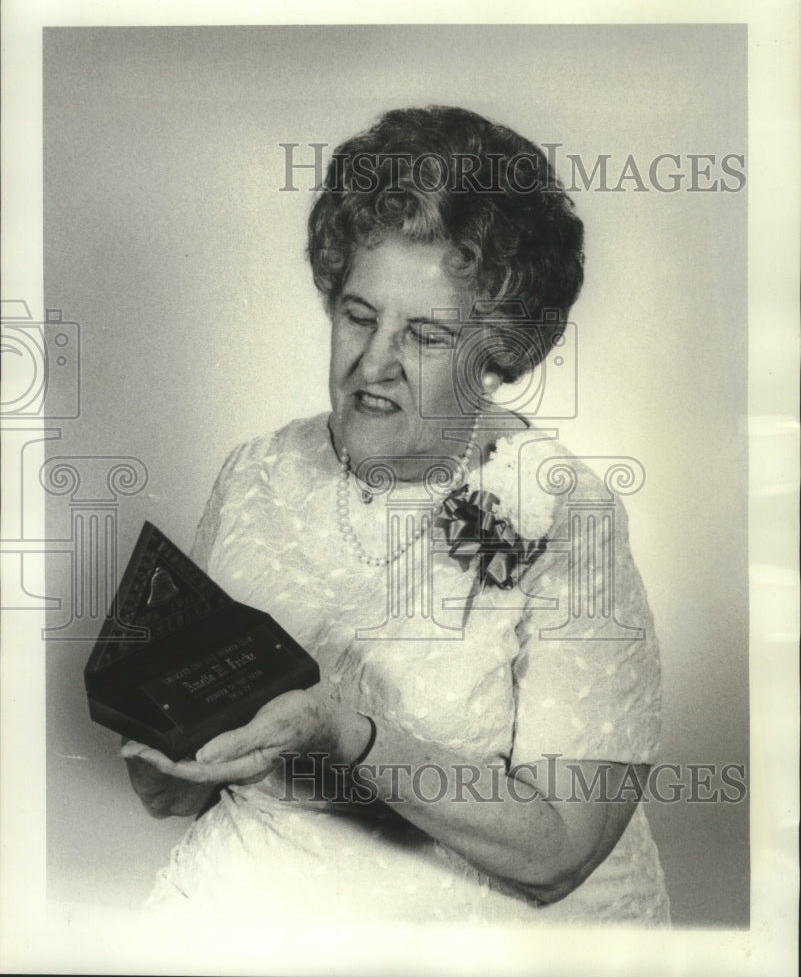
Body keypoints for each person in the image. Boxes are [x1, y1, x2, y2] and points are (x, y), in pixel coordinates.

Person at [122, 105, 670, 926]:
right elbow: (174, 792)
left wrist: (349, 737)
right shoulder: (256, 474)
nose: (373, 363)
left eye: (424, 334)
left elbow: (559, 848)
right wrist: (161, 737)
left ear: (498, 350)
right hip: (253, 911)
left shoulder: (564, 517)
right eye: (357, 314)